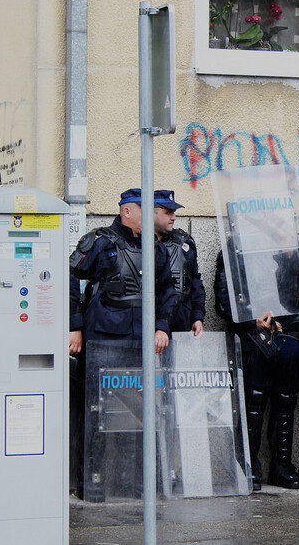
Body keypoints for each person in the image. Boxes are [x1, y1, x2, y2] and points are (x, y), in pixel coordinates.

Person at [68, 188, 178, 501]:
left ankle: (135, 480)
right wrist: (74, 327)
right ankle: (93, 479)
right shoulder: (100, 242)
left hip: (141, 341)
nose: (151, 216)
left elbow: (168, 290)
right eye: (144, 210)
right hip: (103, 339)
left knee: (140, 411)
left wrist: (162, 325)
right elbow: (71, 278)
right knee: (96, 410)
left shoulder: (154, 248)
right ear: (127, 211)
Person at [213, 248, 299, 490]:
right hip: (252, 335)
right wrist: (250, 320)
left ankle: (281, 467)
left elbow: (298, 296)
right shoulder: (234, 249)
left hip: (285, 331)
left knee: (286, 399)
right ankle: (248, 466)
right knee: (253, 401)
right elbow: (224, 301)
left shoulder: (287, 251)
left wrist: (288, 259)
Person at [153, 190, 205, 336]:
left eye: (174, 212)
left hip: (180, 321)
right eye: (168, 213)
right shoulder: (137, 244)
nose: (173, 218)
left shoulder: (184, 243)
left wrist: (197, 317)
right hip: (150, 320)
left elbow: (195, 283)